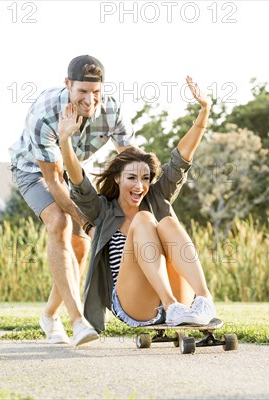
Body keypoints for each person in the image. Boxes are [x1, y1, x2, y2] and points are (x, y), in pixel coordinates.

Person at [60, 76, 216, 331]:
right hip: (134, 304)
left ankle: (204, 300)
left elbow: (181, 159)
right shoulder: (102, 209)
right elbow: (78, 182)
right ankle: (171, 306)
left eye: (145, 178)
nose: (140, 186)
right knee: (145, 220)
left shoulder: (156, 196)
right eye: (132, 178)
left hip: (180, 297)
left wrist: (204, 112)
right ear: (118, 179)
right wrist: (65, 141)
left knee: (166, 223)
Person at [8, 55, 134, 346]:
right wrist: (87, 221)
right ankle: (78, 321)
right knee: (60, 222)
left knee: (80, 248)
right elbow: (53, 180)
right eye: (82, 92)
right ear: (67, 85)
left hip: (76, 169)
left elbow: (130, 157)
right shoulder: (44, 114)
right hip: (34, 170)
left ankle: (49, 315)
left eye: (96, 93)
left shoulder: (112, 110)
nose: (89, 100)